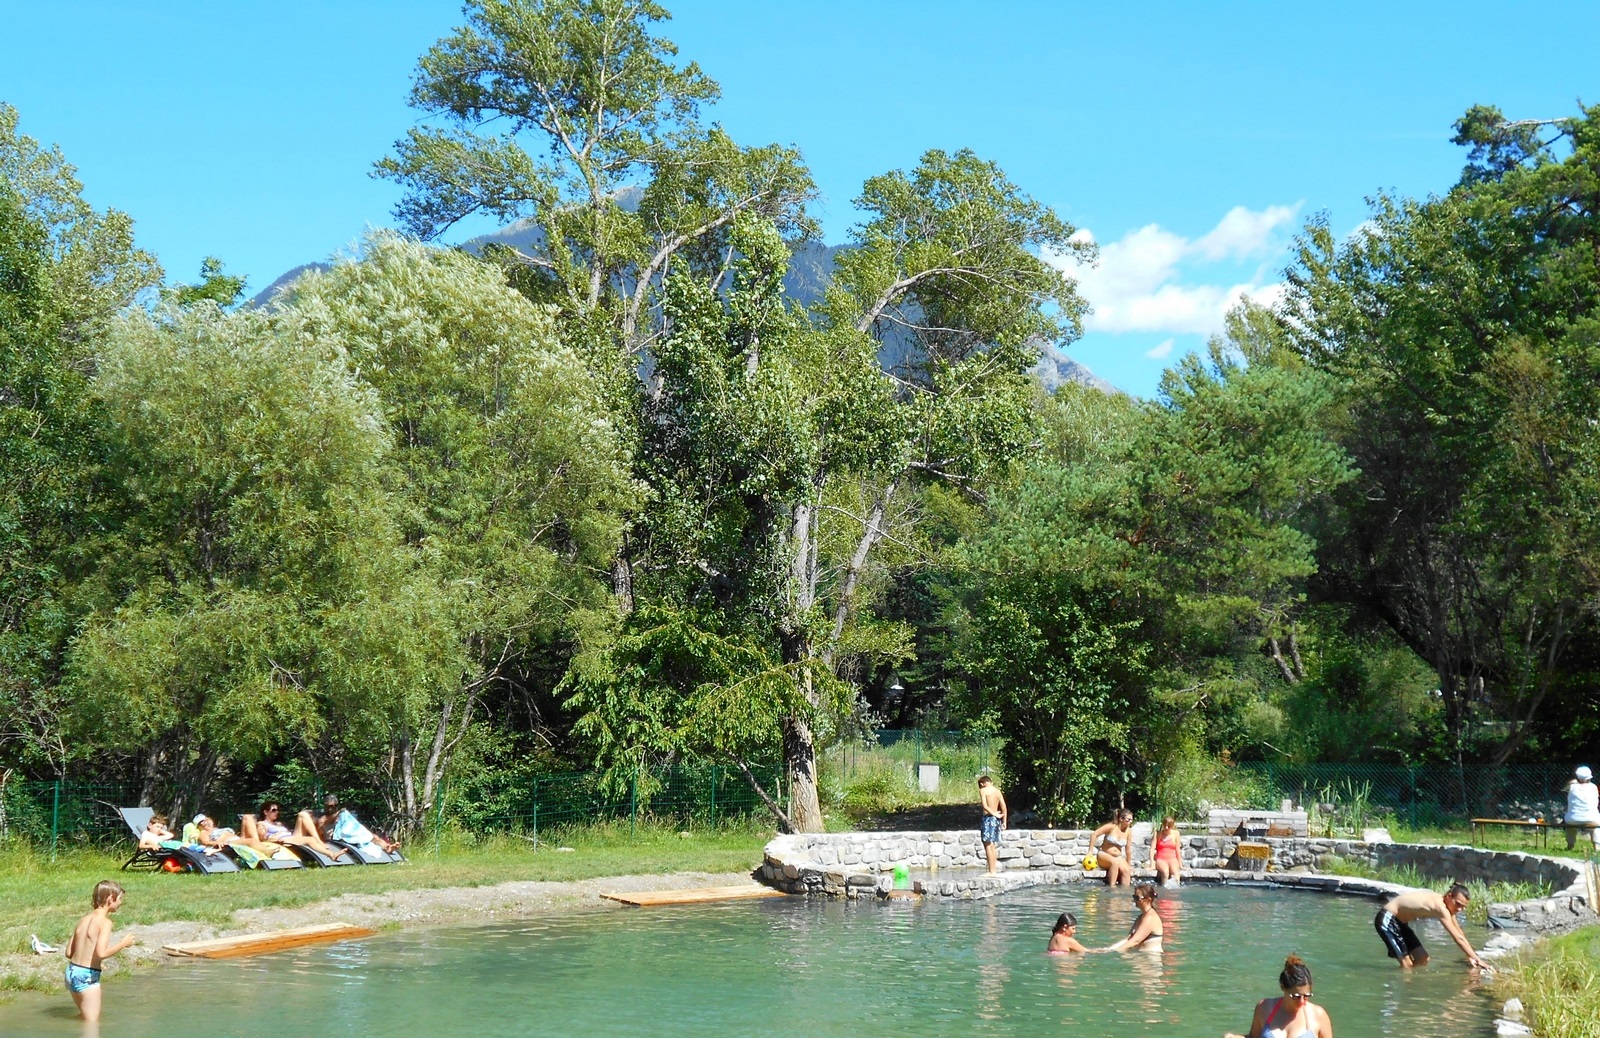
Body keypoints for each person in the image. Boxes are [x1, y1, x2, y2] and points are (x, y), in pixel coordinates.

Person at [64, 881, 136, 1023]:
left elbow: (68, 952)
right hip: (86, 977)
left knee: (84, 1018)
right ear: (110, 898)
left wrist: (95, 961)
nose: (121, 903)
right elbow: (101, 953)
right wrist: (123, 944)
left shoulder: (83, 920)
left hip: (71, 973)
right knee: (92, 1026)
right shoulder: (105, 922)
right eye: (120, 899)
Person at [1374, 884, 1487, 970]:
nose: (1459, 909)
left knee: (1423, 958)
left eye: (1463, 907)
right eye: (1458, 904)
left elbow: (1459, 933)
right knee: (1406, 964)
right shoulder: (1440, 907)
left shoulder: (1448, 907)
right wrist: (1478, 960)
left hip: (1400, 923)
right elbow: (1457, 938)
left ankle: (1409, 981)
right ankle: (1403, 989)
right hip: (1387, 919)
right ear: (1449, 896)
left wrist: (1471, 956)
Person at [1223, 954, 1333, 1038]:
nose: (1301, 1001)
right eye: (1296, 996)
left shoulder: (1318, 1015)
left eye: (1306, 995)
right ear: (1283, 987)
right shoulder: (1264, 1008)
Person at [240, 801, 349, 860]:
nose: (276, 812)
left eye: (277, 810)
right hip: (283, 841)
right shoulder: (261, 824)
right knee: (309, 839)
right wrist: (276, 839)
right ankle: (331, 854)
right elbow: (263, 839)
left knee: (302, 814)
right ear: (265, 812)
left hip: (290, 837)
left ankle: (319, 841)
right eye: (273, 810)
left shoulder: (278, 823)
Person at [315, 795, 400, 854]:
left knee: (372, 836)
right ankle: (386, 847)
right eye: (329, 806)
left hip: (347, 834)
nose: (332, 808)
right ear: (325, 805)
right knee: (369, 837)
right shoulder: (323, 818)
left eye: (334, 806)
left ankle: (387, 847)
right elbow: (320, 827)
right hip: (336, 839)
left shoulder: (340, 814)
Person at [1101, 881, 1163, 951]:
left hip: (1151, 959)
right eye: (1134, 897)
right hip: (1142, 958)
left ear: (1148, 900)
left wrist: (1115, 952)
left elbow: (1135, 941)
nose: (1134, 900)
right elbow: (1128, 939)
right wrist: (1106, 950)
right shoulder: (1140, 917)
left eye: (1137, 898)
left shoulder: (1150, 918)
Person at [1091, 808, 1135, 886]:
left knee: (1126, 870)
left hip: (1118, 857)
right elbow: (1095, 834)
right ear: (1121, 819)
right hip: (1104, 854)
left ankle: (1125, 893)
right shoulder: (1111, 827)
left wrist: (1128, 864)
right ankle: (1112, 888)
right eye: (1128, 820)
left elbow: (1128, 850)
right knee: (1114, 863)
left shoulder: (1129, 831)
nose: (1130, 822)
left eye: (1131, 820)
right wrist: (1090, 852)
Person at [1563, 765, 1599, 851]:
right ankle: (1597, 847)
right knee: (1596, 826)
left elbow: (1565, 787)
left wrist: (1575, 781)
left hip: (1572, 819)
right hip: (1591, 818)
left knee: (1570, 826)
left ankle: (1570, 846)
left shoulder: (1571, 787)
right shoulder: (1593, 787)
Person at [977, 775, 1008, 874]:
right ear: (991, 782)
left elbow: (985, 806)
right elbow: (1004, 807)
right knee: (992, 845)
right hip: (996, 820)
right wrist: (1004, 821)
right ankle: (993, 870)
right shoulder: (997, 791)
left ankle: (991, 871)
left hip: (988, 819)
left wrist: (993, 813)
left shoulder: (983, 790)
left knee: (987, 845)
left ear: (982, 783)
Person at [1149, 815, 1182, 886]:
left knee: (1175, 873)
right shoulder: (1157, 834)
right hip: (1161, 859)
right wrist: (1152, 863)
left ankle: (1176, 891)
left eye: (1169, 826)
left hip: (1172, 859)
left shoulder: (1176, 834)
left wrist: (1180, 864)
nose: (1166, 828)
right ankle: (1164, 889)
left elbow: (1177, 849)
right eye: (1165, 825)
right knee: (1165, 871)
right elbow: (1152, 849)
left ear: (1172, 826)